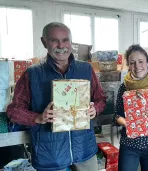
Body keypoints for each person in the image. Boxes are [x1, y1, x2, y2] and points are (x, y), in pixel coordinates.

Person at [6, 22, 106, 171]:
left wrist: (95, 109)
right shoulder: (32, 74)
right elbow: (13, 111)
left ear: (70, 42)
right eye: (54, 40)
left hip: (84, 148)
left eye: (65, 40)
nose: (61, 45)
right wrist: (38, 117)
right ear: (44, 42)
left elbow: (101, 99)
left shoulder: (85, 69)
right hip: (50, 154)